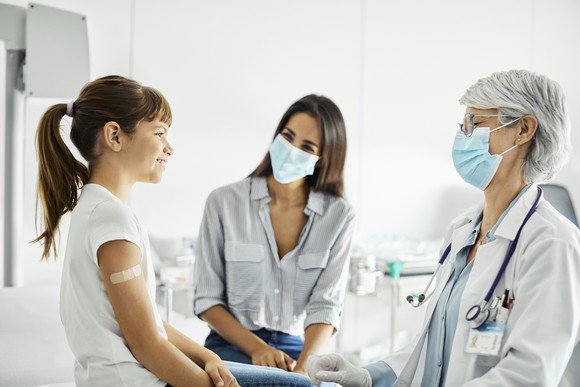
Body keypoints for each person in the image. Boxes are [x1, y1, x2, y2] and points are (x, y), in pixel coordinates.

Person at [34, 75, 313, 387]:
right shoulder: (111, 219)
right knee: (296, 385)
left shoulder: (96, 209)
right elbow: (146, 344)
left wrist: (209, 357)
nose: (169, 148)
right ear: (114, 136)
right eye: (159, 133)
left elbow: (148, 323)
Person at [307, 69, 580, 387]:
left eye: (475, 124)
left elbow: (529, 375)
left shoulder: (553, 242)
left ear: (524, 129)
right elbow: (430, 347)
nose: (464, 138)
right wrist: (369, 376)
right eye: (462, 126)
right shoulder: (462, 230)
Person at [194, 94, 355, 376]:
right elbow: (207, 299)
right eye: (287, 137)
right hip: (231, 345)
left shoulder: (339, 215)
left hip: (300, 349)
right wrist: (257, 349)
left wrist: (304, 370)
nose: (292, 150)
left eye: (306, 146)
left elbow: (325, 306)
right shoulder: (223, 202)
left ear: (322, 159)